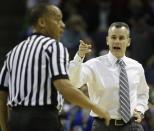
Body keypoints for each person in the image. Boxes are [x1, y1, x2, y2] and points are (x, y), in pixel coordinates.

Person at [0, 3, 110, 131]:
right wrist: (96, 107)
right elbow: (63, 85)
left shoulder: (13, 52)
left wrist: (5, 128)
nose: (63, 24)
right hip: (43, 119)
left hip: (15, 120)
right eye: (58, 19)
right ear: (42, 22)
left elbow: (2, 97)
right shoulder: (53, 46)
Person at [69, 22, 149, 131]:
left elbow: (142, 94)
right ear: (107, 40)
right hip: (103, 125)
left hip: (132, 125)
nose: (117, 41)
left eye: (121, 38)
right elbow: (74, 82)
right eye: (113, 37)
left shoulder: (137, 66)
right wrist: (79, 57)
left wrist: (139, 110)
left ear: (128, 42)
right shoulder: (94, 64)